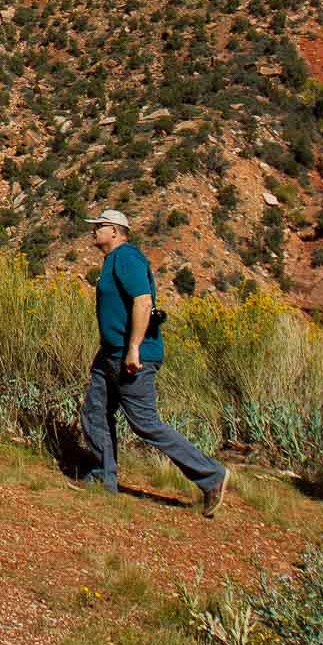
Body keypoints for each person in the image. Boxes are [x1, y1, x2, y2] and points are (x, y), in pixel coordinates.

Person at [78, 210, 229, 515]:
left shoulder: (127, 258)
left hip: (131, 354)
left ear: (116, 231)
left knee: (144, 423)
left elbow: (143, 302)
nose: (93, 231)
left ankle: (211, 475)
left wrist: (133, 347)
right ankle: (103, 478)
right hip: (110, 354)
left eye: (99, 226)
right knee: (95, 410)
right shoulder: (111, 261)